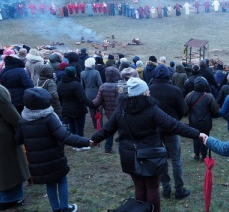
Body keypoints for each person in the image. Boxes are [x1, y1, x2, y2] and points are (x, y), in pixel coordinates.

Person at [90, 78, 207, 211]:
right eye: (146, 89)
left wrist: (94, 139)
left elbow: (107, 129)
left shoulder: (121, 108)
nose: (149, 91)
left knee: (139, 187)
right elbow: (173, 125)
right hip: (151, 154)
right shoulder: (152, 109)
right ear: (142, 92)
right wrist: (197, 134)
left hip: (129, 154)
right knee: (152, 188)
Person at [16, 88, 92, 212]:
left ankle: (56, 209)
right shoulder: (49, 118)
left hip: (37, 161)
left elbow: (18, 140)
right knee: (62, 180)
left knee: (50, 183)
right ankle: (64, 208)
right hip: (54, 158)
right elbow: (66, 136)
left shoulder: (23, 119)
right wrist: (86, 141)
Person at [148, 64, 190, 199]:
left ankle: (166, 189)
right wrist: (175, 120)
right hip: (171, 128)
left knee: (160, 159)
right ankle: (179, 189)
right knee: (176, 159)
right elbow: (182, 111)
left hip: (154, 129)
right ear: (168, 75)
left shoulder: (148, 90)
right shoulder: (175, 90)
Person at [0, 84, 29, 211]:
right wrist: (22, 129)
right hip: (3, 137)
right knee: (10, 168)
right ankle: (10, 198)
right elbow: (11, 114)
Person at [57, 66, 96, 150]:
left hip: (66, 108)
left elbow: (59, 98)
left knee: (72, 127)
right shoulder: (76, 85)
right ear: (74, 74)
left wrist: (63, 106)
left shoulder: (60, 84)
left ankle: (74, 144)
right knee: (79, 127)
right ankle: (80, 145)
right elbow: (83, 99)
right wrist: (93, 105)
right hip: (78, 109)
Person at [185, 77, 219, 161]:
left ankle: (196, 154)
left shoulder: (189, 95)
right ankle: (204, 155)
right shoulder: (209, 96)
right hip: (205, 121)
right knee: (205, 137)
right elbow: (215, 110)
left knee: (195, 136)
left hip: (193, 121)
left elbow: (185, 110)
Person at [92, 66, 121, 154]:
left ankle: (107, 148)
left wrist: (90, 103)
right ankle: (121, 149)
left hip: (109, 113)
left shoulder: (102, 87)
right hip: (120, 113)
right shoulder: (120, 86)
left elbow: (97, 102)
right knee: (122, 131)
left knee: (109, 130)